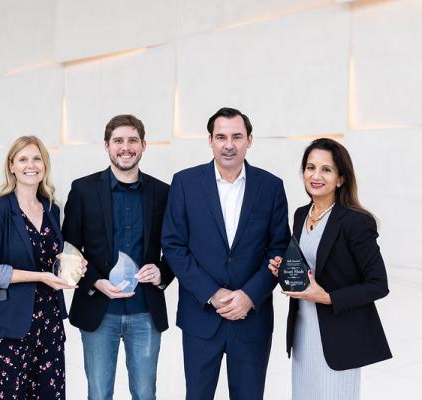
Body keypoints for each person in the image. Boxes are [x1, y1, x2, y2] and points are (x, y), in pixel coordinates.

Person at [161, 107, 290, 399]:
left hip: (251, 318)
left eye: (236, 136)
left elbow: (278, 246)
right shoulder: (185, 183)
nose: (228, 144)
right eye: (221, 137)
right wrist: (212, 292)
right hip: (200, 316)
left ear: (249, 140)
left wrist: (250, 295)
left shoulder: (271, 187)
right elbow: (173, 245)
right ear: (210, 141)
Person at [268, 138, 392, 400]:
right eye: (310, 167)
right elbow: (308, 272)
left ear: (341, 178)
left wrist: (326, 297)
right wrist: (284, 271)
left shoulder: (356, 221)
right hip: (303, 334)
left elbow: (379, 284)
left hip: (340, 338)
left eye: (326, 169)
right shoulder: (301, 214)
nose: (316, 175)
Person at [62, 114, 174, 400]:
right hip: (99, 311)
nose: (126, 147)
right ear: (107, 146)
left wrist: (161, 273)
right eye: (118, 141)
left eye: (132, 140)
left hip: (145, 312)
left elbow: (176, 247)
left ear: (144, 145)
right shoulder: (83, 190)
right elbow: (69, 250)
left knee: (145, 393)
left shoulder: (163, 193)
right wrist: (95, 282)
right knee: (99, 394)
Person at [0, 136, 85, 399]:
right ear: (11, 166)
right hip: (9, 327)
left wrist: (71, 266)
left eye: (37, 158)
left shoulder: (50, 209)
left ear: (44, 165)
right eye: (22, 159)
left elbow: (51, 259)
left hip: (49, 325)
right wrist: (40, 277)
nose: (30, 165)